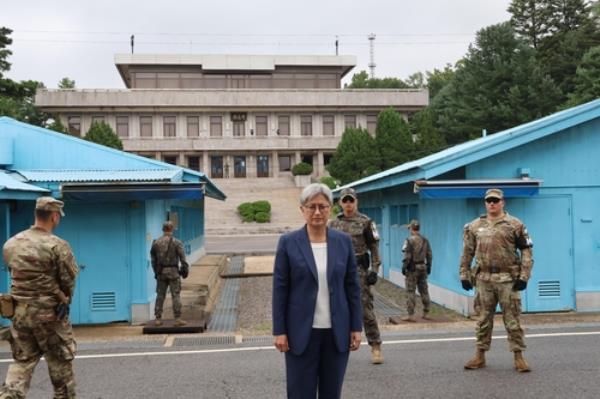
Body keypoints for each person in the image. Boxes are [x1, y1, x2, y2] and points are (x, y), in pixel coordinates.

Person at [272, 183, 362, 399]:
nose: (317, 212)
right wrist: (279, 330)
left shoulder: (343, 242)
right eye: (311, 207)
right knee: (300, 393)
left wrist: (356, 327)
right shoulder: (288, 242)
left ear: (330, 208)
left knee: (332, 393)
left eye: (322, 206)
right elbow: (280, 288)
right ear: (302, 209)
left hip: (336, 332)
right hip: (300, 332)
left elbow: (352, 287)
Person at [0, 196, 78, 398]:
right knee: (61, 368)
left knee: (22, 362)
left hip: (19, 314)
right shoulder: (57, 245)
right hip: (49, 316)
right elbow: (68, 280)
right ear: (54, 216)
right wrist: (65, 300)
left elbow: (13, 272)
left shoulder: (11, 243)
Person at [460, 188, 533, 372]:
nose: (492, 203)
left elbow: (526, 251)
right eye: (489, 200)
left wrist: (524, 276)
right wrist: (464, 274)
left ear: (503, 202)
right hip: (484, 279)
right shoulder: (474, 226)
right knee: (483, 320)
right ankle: (480, 356)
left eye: (495, 200)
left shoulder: (515, 224)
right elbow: (467, 252)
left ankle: (519, 357)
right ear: (485, 203)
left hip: (508, 279)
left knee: (512, 320)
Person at [329, 187, 383, 364]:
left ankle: (375, 346)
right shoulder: (333, 224)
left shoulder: (366, 222)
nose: (348, 204)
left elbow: (374, 248)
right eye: (345, 200)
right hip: (338, 270)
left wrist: (375, 270)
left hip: (359, 270)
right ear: (340, 203)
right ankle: (339, 348)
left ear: (356, 201)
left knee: (365, 307)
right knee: (337, 308)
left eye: (351, 200)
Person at [151, 221, 190, 327]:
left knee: (160, 295)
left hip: (161, 273)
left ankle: (158, 319)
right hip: (174, 273)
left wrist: (156, 272)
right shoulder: (177, 242)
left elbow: (153, 261)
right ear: (172, 229)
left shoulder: (156, 242)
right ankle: (177, 319)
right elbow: (183, 259)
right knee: (175, 295)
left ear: (163, 229)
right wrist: (185, 271)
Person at [401, 220, 432, 322]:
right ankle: (427, 312)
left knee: (410, 291)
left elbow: (407, 256)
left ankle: (411, 315)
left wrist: (404, 267)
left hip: (412, 269)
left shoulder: (409, 240)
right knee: (424, 290)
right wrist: (429, 266)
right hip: (422, 267)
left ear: (411, 229)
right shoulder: (425, 240)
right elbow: (429, 254)